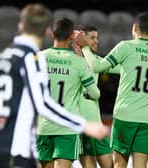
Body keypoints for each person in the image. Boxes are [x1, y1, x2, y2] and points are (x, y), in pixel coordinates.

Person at [0, 4, 108, 168]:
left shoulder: (5, 55)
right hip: (24, 143)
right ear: (45, 32)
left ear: (21, 25)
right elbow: (43, 104)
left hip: (7, 140)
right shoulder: (33, 59)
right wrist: (84, 125)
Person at [74, 12, 148, 168]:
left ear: (135, 28)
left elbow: (97, 67)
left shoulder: (126, 47)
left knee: (119, 164)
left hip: (126, 115)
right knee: (141, 165)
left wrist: (84, 47)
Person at [36, 18, 104, 168]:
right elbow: (95, 94)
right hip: (66, 128)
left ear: (52, 35)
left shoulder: (39, 58)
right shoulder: (79, 62)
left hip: (44, 126)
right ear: (72, 36)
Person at [72, 25, 114, 168]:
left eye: (97, 38)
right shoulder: (70, 61)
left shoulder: (96, 61)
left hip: (97, 123)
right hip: (83, 123)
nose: (97, 41)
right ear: (81, 39)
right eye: (92, 38)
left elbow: (123, 67)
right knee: (89, 165)